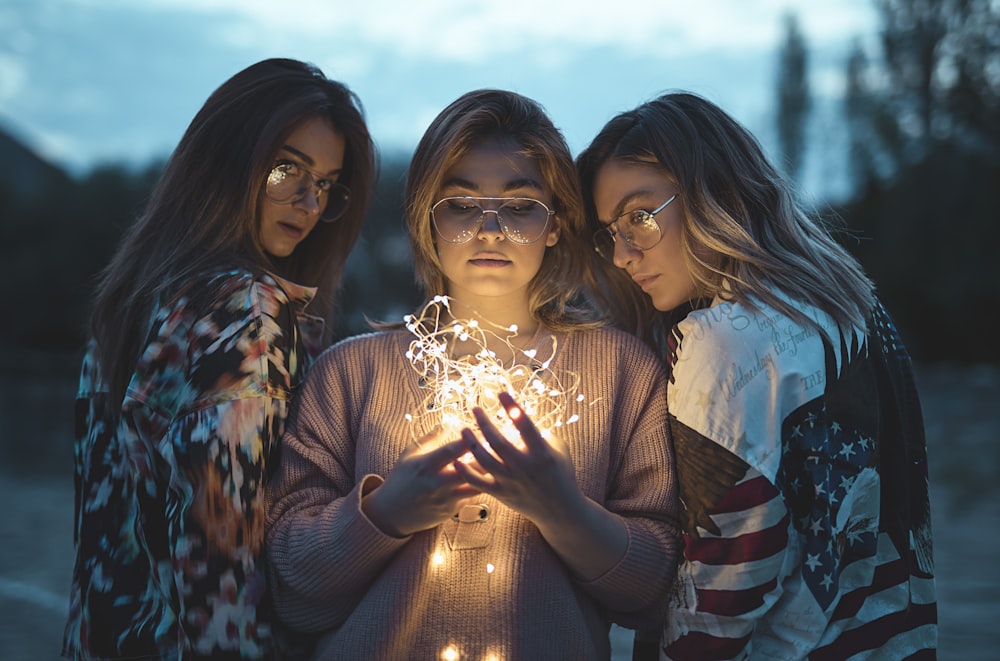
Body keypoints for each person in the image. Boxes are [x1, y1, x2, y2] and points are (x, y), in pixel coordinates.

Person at [265, 89, 682, 660]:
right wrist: (386, 514)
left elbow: (656, 592)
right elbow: (291, 591)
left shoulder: (622, 374)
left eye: (519, 206)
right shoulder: (351, 374)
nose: (490, 230)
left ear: (556, 223)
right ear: (426, 221)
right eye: (460, 205)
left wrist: (563, 511)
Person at [576, 91, 937, 659]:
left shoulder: (721, 340)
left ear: (715, 192)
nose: (621, 254)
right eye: (609, 232)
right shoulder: (851, 303)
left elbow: (722, 591)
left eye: (640, 217)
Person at [62, 58, 377, 660]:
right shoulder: (249, 311)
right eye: (288, 168)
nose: (310, 202)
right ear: (226, 159)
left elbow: (99, 538)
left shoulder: (134, 301)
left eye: (329, 184)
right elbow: (224, 559)